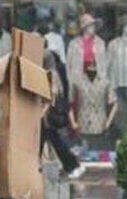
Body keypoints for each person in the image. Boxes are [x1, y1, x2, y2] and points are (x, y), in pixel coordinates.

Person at [41, 48, 84, 180]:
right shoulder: (55, 72)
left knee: (52, 139)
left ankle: (72, 165)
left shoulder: (51, 74)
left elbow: (53, 93)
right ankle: (71, 165)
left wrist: (44, 110)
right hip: (49, 113)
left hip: (49, 113)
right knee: (50, 139)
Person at [70, 58, 118, 153]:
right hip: (82, 125)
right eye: (89, 65)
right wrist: (73, 123)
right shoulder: (77, 82)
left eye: (94, 65)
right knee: (83, 155)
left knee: (99, 156)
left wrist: (108, 122)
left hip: (100, 125)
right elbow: (69, 105)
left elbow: (115, 104)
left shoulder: (105, 83)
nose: (91, 67)